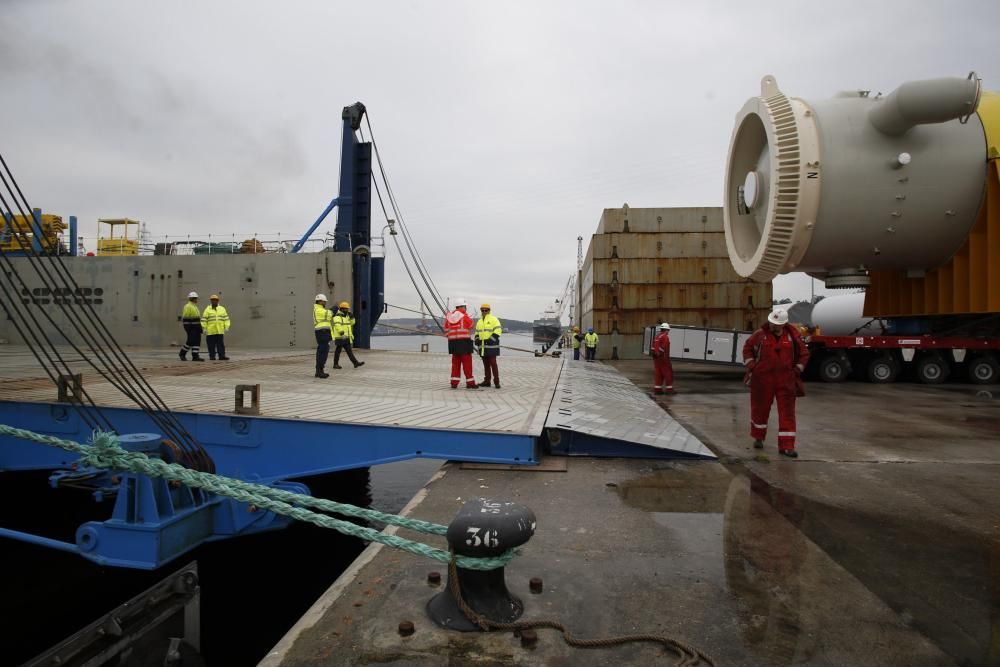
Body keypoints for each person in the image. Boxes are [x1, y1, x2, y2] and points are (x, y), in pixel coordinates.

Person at [742, 308, 810, 458]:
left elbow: (804, 354)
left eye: (777, 324)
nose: (773, 326)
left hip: (786, 380)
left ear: (784, 324)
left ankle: (787, 446)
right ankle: (758, 437)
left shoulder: (793, 336)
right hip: (762, 380)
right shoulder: (760, 335)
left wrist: (796, 371)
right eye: (772, 323)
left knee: (787, 414)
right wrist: (752, 366)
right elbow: (747, 348)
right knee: (760, 409)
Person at [444, 298, 478, 389]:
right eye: (465, 307)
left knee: (455, 364)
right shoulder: (464, 316)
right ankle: (470, 383)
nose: (466, 308)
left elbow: (446, 330)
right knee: (467, 364)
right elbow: (471, 325)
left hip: (453, 343)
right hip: (464, 342)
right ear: (462, 307)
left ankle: (454, 383)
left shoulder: (449, 317)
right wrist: (466, 315)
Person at [474, 303, 503, 388]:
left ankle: (497, 382)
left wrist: (490, 340)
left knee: (493, 363)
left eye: (486, 310)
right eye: (482, 310)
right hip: (482, 347)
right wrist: (476, 340)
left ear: (489, 310)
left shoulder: (494, 319)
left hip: (491, 346)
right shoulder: (479, 321)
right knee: (486, 364)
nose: (484, 311)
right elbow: (477, 333)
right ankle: (487, 381)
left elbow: (498, 331)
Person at [332, 301, 365, 369]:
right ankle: (335, 364)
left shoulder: (346, 316)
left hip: (346, 337)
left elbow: (352, 323)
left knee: (348, 351)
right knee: (338, 351)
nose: (347, 310)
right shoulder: (337, 316)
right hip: (340, 337)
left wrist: (352, 317)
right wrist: (342, 333)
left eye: (347, 309)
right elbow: (337, 325)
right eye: (345, 309)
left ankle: (355, 363)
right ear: (341, 309)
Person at [201, 294, 231, 361]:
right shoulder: (207, 309)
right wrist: (204, 328)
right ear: (211, 301)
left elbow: (226, 319)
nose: (214, 301)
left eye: (215, 300)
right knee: (211, 345)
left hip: (219, 330)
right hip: (210, 331)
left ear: (218, 301)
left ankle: (222, 356)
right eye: (213, 300)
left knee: (220, 345)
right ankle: (212, 356)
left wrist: (227, 326)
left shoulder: (222, 309)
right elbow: (204, 319)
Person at [179, 291, 204, 362]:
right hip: (191, 328)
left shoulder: (194, 306)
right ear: (192, 298)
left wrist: (200, 328)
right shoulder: (188, 306)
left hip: (196, 327)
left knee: (197, 342)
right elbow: (186, 319)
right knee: (190, 341)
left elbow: (197, 319)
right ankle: (182, 354)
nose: (197, 299)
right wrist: (188, 329)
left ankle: (195, 356)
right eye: (196, 298)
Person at [313, 294, 333, 378]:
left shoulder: (319, 309)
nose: (325, 303)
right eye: (324, 301)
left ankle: (319, 371)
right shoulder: (318, 309)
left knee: (321, 351)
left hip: (323, 332)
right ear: (320, 301)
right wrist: (334, 309)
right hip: (322, 332)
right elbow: (329, 314)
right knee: (323, 352)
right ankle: (320, 371)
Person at [652, 322, 673, 394]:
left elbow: (653, 347)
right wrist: (660, 354)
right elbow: (663, 347)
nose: (668, 332)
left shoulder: (657, 336)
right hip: (663, 358)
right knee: (667, 373)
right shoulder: (665, 337)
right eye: (668, 330)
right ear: (666, 330)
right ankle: (669, 390)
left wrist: (655, 354)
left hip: (656, 359)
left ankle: (657, 390)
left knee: (658, 374)